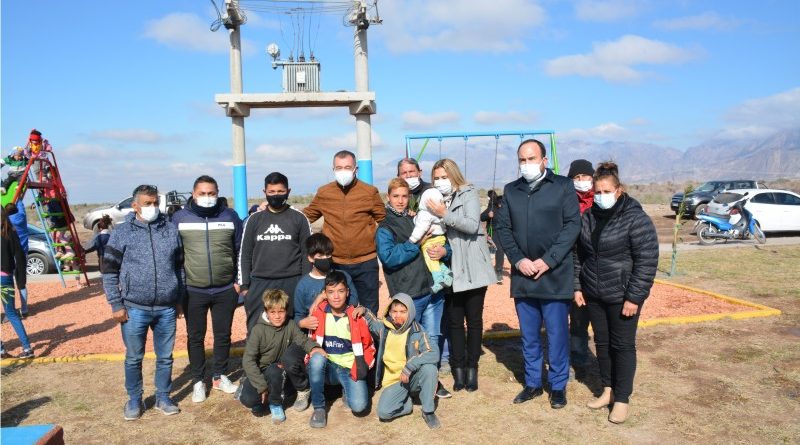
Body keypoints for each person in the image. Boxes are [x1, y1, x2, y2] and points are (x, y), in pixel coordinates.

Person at [494, 139, 581, 408]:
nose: (526, 164)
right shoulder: (512, 190)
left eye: (531, 159)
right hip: (524, 276)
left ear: (544, 160)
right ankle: (532, 383)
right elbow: (503, 229)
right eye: (522, 159)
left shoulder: (563, 186)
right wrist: (518, 260)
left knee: (557, 336)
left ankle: (558, 386)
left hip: (554, 275)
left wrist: (548, 260)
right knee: (529, 336)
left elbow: (572, 226)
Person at [574, 162, 658, 424]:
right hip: (594, 293)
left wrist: (634, 297)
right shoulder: (588, 217)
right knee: (602, 343)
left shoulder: (636, 218)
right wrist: (578, 286)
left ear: (619, 190)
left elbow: (646, 260)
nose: (601, 196)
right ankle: (608, 389)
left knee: (622, 346)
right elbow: (579, 255)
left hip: (623, 296)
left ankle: (622, 399)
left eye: (606, 191)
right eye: (597, 192)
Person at [102, 184, 185, 420]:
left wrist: (179, 299)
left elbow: (179, 267)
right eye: (147, 203)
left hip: (166, 308)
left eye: (155, 203)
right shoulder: (122, 232)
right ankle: (134, 400)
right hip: (134, 308)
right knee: (133, 358)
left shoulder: (170, 230)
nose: (152, 207)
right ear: (135, 205)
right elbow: (109, 271)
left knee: (165, 357)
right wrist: (116, 304)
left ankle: (163, 397)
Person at [376, 177, 452, 398]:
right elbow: (389, 258)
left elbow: (440, 240)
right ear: (388, 197)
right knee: (410, 341)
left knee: (432, 337)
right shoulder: (385, 227)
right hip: (409, 294)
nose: (401, 201)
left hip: (432, 290)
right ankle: (409, 382)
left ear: (410, 197)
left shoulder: (418, 217)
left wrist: (444, 251)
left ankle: (432, 381)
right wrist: (414, 244)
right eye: (396, 196)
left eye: (404, 196)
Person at [425, 159, 496, 392]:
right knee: (455, 322)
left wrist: (444, 214)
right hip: (450, 269)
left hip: (473, 267)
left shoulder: (468, 194)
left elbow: (472, 225)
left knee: (473, 321)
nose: (440, 181)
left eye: (444, 177)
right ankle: (458, 370)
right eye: (436, 178)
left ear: (453, 175)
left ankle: (472, 368)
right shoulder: (434, 198)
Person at [171, 175, 243, 403]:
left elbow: (240, 250)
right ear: (193, 194)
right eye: (202, 193)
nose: (207, 197)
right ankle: (198, 381)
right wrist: (179, 289)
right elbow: (174, 256)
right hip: (193, 290)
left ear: (218, 193)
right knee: (195, 337)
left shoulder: (230, 216)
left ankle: (219, 376)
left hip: (225, 288)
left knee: (223, 335)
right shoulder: (180, 218)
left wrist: (238, 281)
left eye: (211, 193)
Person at [303, 150, 385, 315]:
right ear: (333, 169)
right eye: (339, 168)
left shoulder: (370, 192)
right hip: (335, 262)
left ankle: (370, 333)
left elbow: (384, 220)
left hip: (366, 262)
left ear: (356, 169)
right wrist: (279, 212)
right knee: (337, 309)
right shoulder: (324, 192)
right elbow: (306, 216)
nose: (343, 171)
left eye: (347, 167)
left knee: (369, 311)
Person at [239, 172, 311, 334]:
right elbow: (245, 253)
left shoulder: (299, 218)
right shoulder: (254, 220)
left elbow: (307, 255)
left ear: (288, 191)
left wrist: (304, 285)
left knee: (293, 330)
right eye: (271, 192)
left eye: (280, 191)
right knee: (257, 330)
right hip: (260, 283)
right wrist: (245, 287)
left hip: (292, 282)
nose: (276, 195)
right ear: (264, 192)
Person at [239, 289, 327, 423]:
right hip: (261, 371)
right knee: (248, 399)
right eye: (272, 312)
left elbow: (302, 339)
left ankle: (275, 404)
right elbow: (248, 360)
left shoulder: (290, 325)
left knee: (275, 371)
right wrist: (261, 386)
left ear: (286, 311)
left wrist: (314, 347)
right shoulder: (258, 330)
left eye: (281, 311)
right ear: (266, 312)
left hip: (278, 369)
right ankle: (265, 395)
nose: (277, 316)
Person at [356, 293, 441, 429]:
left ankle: (428, 411)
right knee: (384, 413)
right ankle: (407, 404)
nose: (398, 315)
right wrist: (364, 311)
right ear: (389, 312)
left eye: (403, 312)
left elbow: (433, 352)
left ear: (410, 312)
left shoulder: (418, 331)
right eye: (394, 311)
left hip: (411, 377)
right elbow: (372, 321)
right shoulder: (384, 328)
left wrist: (409, 367)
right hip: (394, 381)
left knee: (429, 368)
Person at [306, 271, 375, 428]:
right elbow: (310, 341)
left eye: (341, 291)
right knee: (316, 358)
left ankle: (346, 388)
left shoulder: (356, 316)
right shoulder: (318, 313)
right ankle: (318, 408)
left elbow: (369, 346)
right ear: (325, 294)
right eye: (331, 292)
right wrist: (309, 358)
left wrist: (362, 366)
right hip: (327, 367)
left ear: (347, 292)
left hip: (349, 369)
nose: (336, 297)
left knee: (359, 407)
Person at [293, 233, 358, 327]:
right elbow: (298, 315)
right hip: (317, 330)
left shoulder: (343, 276)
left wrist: (324, 296)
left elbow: (354, 302)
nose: (325, 258)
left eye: (328, 255)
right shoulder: (303, 285)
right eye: (320, 256)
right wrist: (302, 323)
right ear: (310, 258)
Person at [567, 159, 595, 370]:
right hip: (572, 264)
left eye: (585, 176)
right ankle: (578, 359)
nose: (581, 180)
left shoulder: (601, 199)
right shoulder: (566, 200)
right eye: (576, 177)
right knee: (578, 317)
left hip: (596, 266)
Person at [0, 206, 34, 359]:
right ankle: (27, 348)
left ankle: (1, 350)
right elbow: (19, 255)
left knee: (10, 313)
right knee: (11, 313)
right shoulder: (10, 232)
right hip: (6, 277)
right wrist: (21, 279)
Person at [408, 186, 453, 294]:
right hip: (440, 238)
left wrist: (412, 240)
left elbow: (421, 228)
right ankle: (447, 272)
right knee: (435, 259)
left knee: (430, 258)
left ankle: (438, 280)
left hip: (430, 240)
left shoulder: (425, 214)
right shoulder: (439, 213)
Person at [7, 201, 30, 317]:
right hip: (22, 254)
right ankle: (24, 309)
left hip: (10, 255)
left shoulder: (7, 221)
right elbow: (21, 207)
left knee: (8, 282)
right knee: (21, 283)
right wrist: (19, 199)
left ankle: (10, 309)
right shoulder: (22, 217)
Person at [480, 190, 505, 284]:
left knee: (501, 250)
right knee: (499, 250)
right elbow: (481, 217)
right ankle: (497, 271)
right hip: (493, 231)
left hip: (504, 231)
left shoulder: (505, 207)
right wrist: (488, 215)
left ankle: (499, 270)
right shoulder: (491, 208)